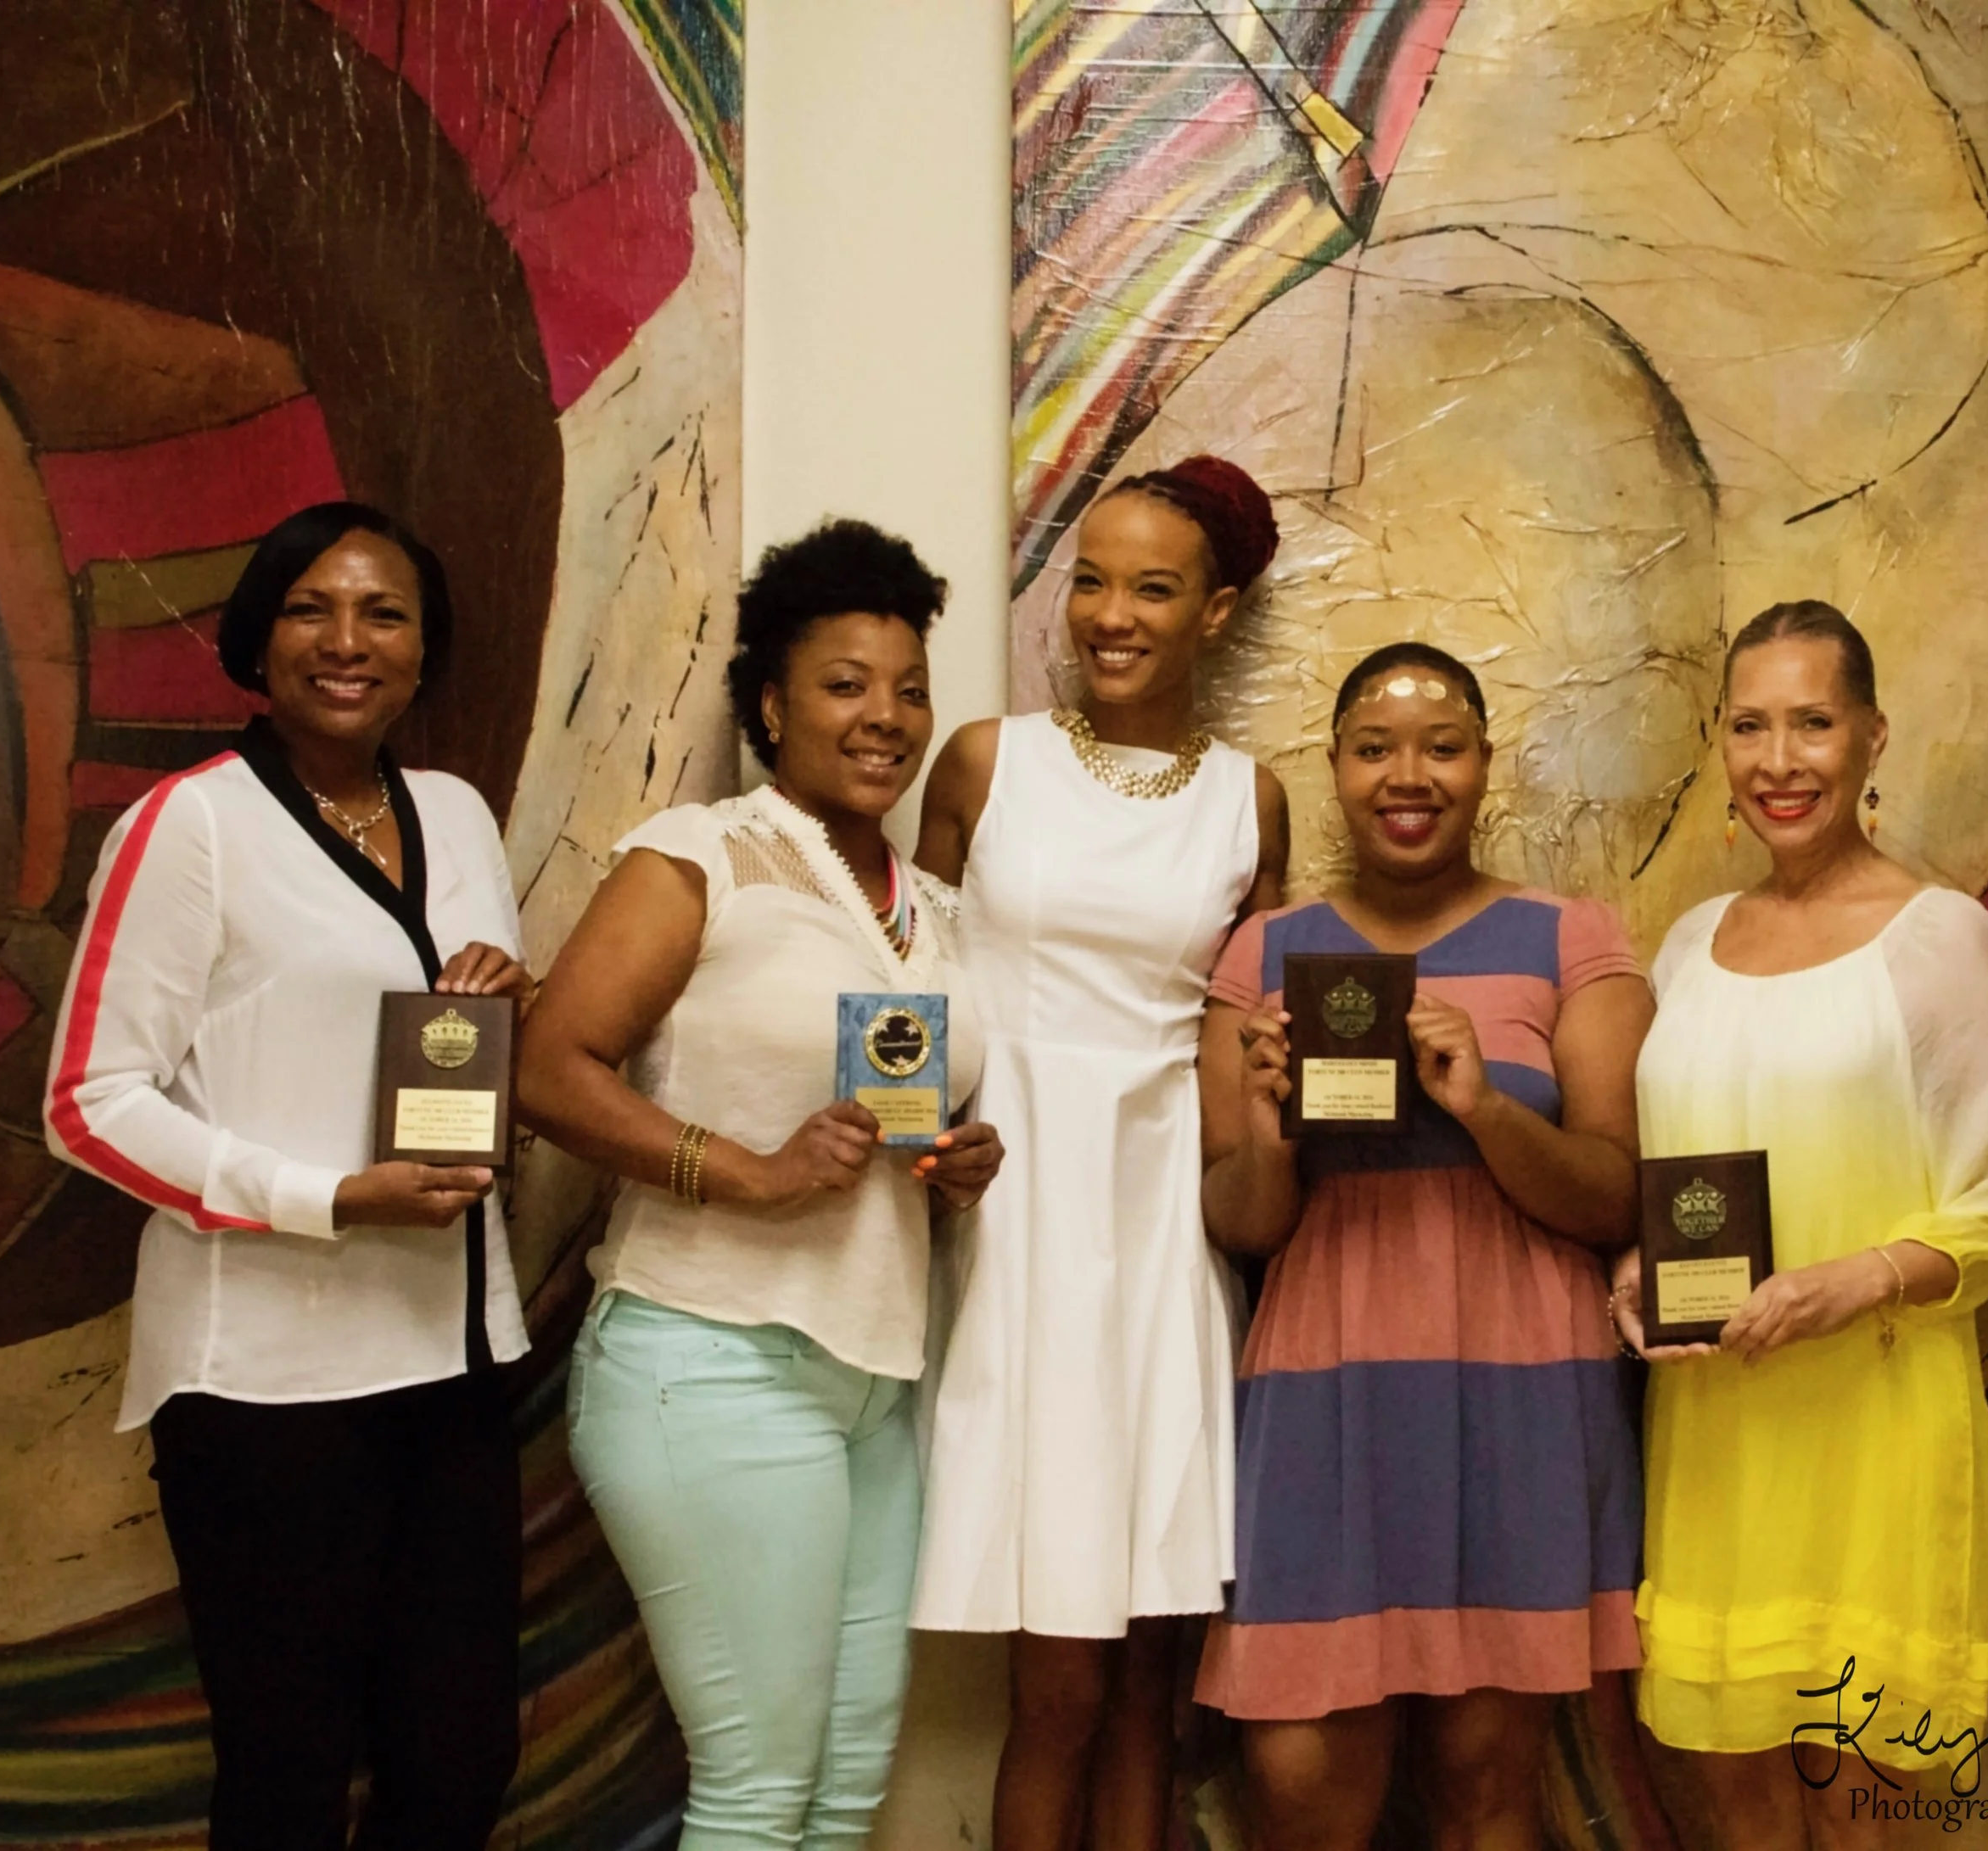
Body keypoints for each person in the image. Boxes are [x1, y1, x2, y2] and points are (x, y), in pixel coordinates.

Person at [42, 502, 534, 1850]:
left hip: (452, 1358)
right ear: (257, 640)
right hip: (269, 1384)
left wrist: (504, 1001)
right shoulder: (189, 826)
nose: (348, 640)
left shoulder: (457, 815)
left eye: (385, 613)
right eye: (312, 608)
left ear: (426, 652)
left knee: (460, 1759)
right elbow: (86, 1104)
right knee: (289, 1771)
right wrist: (327, 1194)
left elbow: (449, 1036)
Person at [517, 519, 1002, 1851]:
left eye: (909, 686)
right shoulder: (705, 853)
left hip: (873, 1383)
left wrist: (962, 1161)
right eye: (847, 684)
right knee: (755, 1784)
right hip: (709, 1358)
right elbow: (552, 1068)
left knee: (844, 1787)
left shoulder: (938, 908)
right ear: (774, 703)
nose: (886, 716)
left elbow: (919, 1119)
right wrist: (745, 1171)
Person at [1198, 640, 1653, 1851]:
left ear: (1484, 763)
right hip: (1323, 1382)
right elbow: (1239, 1221)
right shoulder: (1263, 954)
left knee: (1486, 1776)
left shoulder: (1569, 937)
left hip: (1520, 1384)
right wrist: (1268, 1126)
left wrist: (1484, 1101)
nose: (1411, 774)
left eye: (1442, 746)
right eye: (1375, 747)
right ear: (1337, 766)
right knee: (1299, 1778)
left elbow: (1615, 1194)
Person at [1611, 601, 1988, 1849]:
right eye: (1751, 725)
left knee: (1862, 1814)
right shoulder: (1691, 944)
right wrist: (1641, 1266)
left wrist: (1845, 1283)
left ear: (1872, 738)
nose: (1779, 758)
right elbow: (1683, 1171)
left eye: (1813, 722)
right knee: (1735, 1802)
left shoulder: (1942, 938)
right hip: (1719, 1433)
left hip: (1874, 1431)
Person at [910, 456, 1291, 1851]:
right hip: (1013, 1220)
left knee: (1149, 1688)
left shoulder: (1254, 803)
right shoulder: (984, 761)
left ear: (1218, 610)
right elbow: (911, 984)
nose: (1110, 614)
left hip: (1165, 1245)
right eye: (1089, 579)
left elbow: (1257, 1028)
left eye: (1154, 586)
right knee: (1056, 1682)